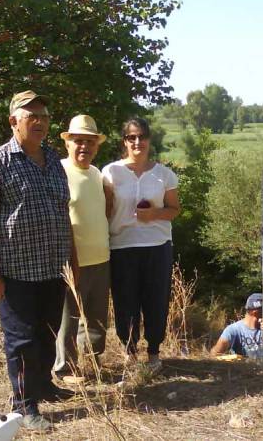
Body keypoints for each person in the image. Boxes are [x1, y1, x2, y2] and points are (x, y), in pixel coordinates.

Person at [0, 90, 74, 431]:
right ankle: (24, 405)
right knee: (22, 340)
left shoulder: (54, 160)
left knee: (48, 333)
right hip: (15, 273)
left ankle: (42, 386)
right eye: (31, 116)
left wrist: (73, 263)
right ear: (14, 121)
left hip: (53, 270)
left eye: (44, 115)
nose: (40, 122)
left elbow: (63, 215)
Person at [102, 117, 180, 372]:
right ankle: (130, 352)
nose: (137, 142)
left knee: (156, 300)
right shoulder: (110, 172)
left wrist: (155, 214)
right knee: (126, 302)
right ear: (124, 141)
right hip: (122, 246)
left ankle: (154, 352)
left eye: (142, 136)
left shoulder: (163, 174)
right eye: (131, 137)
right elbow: (105, 210)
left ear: (149, 139)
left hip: (157, 246)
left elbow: (174, 210)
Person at [54, 115, 110, 382]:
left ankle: (93, 365)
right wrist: (68, 258)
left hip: (101, 258)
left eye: (89, 142)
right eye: (78, 141)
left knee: (97, 319)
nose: (84, 147)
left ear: (96, 146)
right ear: (68, 144)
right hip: (72, 259)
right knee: (68, 318)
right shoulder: (59, 171)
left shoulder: (97, 173)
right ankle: (64, 369)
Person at [211, 293, 263, 362]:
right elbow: (214, 354)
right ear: (255, 313)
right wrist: (234, 359)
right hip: (249, 376)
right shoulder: (234, 330)